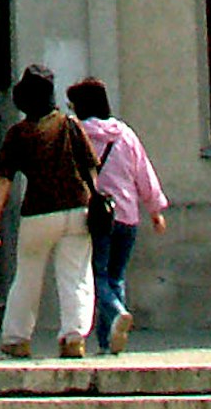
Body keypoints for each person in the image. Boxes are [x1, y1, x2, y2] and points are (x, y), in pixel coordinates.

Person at [0, 63, 98, 360]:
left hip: (37, 212)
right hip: (77, 209)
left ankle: (17, 338)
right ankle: (74, 338)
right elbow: (90, 169)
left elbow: (4, 178)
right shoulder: (71, 125)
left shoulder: (19, 133)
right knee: (76, 277)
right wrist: (95, 201)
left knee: (28, 276)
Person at [69, 77, 170, 356]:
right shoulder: (125, 134)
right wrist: (155, 210)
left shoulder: (77, 133)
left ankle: (116, 313)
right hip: (127, 215)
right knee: (117, 277)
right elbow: (143, 174)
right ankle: (108, 341)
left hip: (96, 215)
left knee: (96, 275)